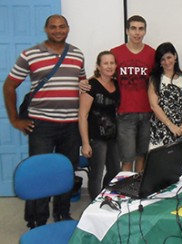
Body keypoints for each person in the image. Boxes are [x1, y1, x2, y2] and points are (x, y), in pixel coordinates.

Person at [3, 14, 85, 228]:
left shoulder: (77, 54)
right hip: (42, 126)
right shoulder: (30, 55)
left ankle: (62, 213)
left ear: (68, 28)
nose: (58, 30)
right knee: (40, 173)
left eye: (62, 26)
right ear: (46, 29)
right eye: (53, 27)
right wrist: (14, 119)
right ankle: (37, 220)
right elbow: (9, 86)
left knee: (66, 171)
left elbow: (82, 86)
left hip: (71, 125)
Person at [80, 15, 155, 172]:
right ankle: (126, 194)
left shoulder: (152, 54)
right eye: (133, 28)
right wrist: (87, 81)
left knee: (142, 157)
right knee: (127, 159)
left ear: (145, 31)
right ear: (127, 30)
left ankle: (138, 192)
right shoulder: (116, 53)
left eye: (141, 29)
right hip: (124, 114)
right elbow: (105, 72)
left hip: (147, 114)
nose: (137, 32)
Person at [78, 51, 121, 200]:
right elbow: (82, 115)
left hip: (113, 137)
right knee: (96, 174)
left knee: (115, 171)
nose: (109, 66)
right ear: (98, 66)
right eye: (105, 63)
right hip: (97, 139)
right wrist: (85, 144)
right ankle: (95, 206)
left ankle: (106, 198)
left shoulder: (116, 84)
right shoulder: (90, 86)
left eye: (112, 63)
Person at [148, 42, 182, 148]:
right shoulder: (155, 79)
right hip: (162, 130)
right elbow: (154, 105)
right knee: (161, 164)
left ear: (175, 56)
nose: (167, 62)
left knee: (180, 163)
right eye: (163, 59)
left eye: (169, 57)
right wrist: (170, 125)